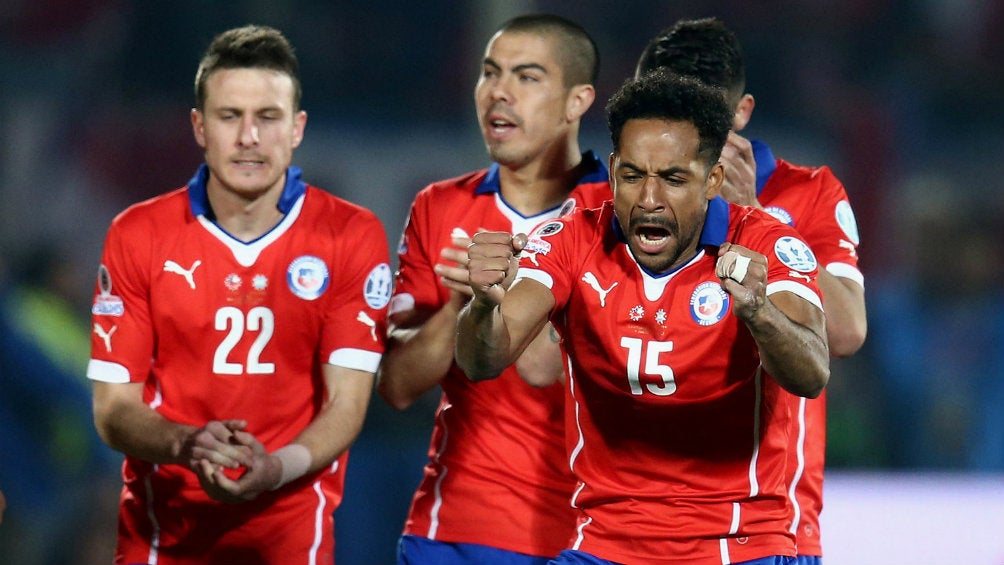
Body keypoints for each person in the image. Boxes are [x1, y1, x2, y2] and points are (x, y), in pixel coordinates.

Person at [457, 69, 831, 564]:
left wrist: (760, 313)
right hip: (605, 545)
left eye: (674, 179)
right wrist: (482, 303)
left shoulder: (766, 244)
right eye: (633, 176)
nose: (649, 200)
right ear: (613, 171)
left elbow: (811, 374)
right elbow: (483, 359)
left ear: (712, 180)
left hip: (737, 546)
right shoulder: (570, 240)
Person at [87, 25, 391, 564]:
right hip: (165, 534)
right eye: (230, 117)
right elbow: (113, 409)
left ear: (297, 128)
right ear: (200, 127)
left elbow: (348, 404)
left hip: (291, 535)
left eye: (268, 117)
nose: (249, 137)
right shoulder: (139, 233)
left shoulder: (350, 234)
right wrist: (187, 443)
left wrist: (275, 468)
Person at [376, 13, 610, 565]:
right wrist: (460, 302)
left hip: (594, 532)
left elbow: (564, 371)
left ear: (577, 101)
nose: (498, 93)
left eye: (527, 77)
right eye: (489, 73)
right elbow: (398, 387)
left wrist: (510, 296)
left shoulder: (619, 213)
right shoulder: (440, 207)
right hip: (458, 526)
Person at [635, 18, 867, 562]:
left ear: (741, 113)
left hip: (765, 527)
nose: (678, 142)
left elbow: (847, 330)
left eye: (699, 121)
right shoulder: (618, 204)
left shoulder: (806, 193)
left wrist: (751, 217)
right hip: (628, 524)